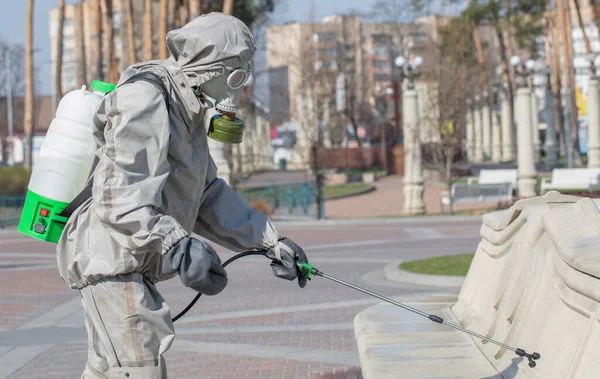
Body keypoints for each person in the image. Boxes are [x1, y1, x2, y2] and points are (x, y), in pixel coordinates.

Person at [56, 12, 309, 379]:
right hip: (109, 260)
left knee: (107, 368)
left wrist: (272, 241)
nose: (241, 85)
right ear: (218, 68)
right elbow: (119, 197)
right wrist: (178, 244)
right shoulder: (146, 98)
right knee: (139, 368)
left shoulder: (187, 106)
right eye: (241, 72)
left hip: (127, 263)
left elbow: (207, 193)